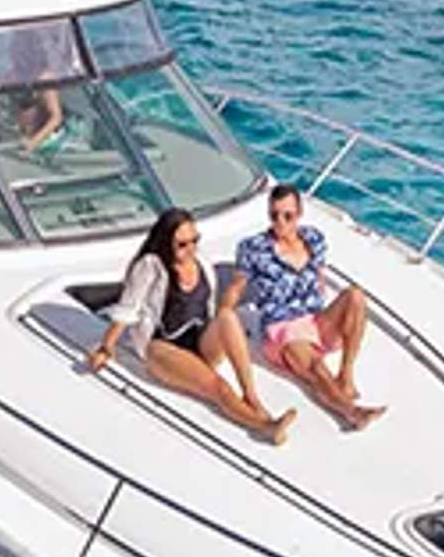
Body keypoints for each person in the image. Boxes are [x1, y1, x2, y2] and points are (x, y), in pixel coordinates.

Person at [85, 207, 292, 444]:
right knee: (219, 388)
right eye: (182, 244)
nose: (191, 248)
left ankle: (251, 397)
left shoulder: (200, 261)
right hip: (163, 347)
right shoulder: (151, 265)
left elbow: (211, 307)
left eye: (195, 240)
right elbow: (128, 309)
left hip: (197, 341)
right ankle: (265, 426)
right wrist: (106, 347)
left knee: (227, 316)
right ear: (166, 243)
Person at [233, 182, 380, 429]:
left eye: (288, 216)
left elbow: (319, 279)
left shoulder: (314, 239)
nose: (280, 222)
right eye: (274, 215)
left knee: (355, 296)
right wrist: (223, 317)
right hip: (283, 329)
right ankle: (351, 412)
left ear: (299, 215)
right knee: (315, 367)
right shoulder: (253, 248)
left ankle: (346, 373)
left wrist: (330, 318)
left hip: (315, 320)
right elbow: (237, 287)